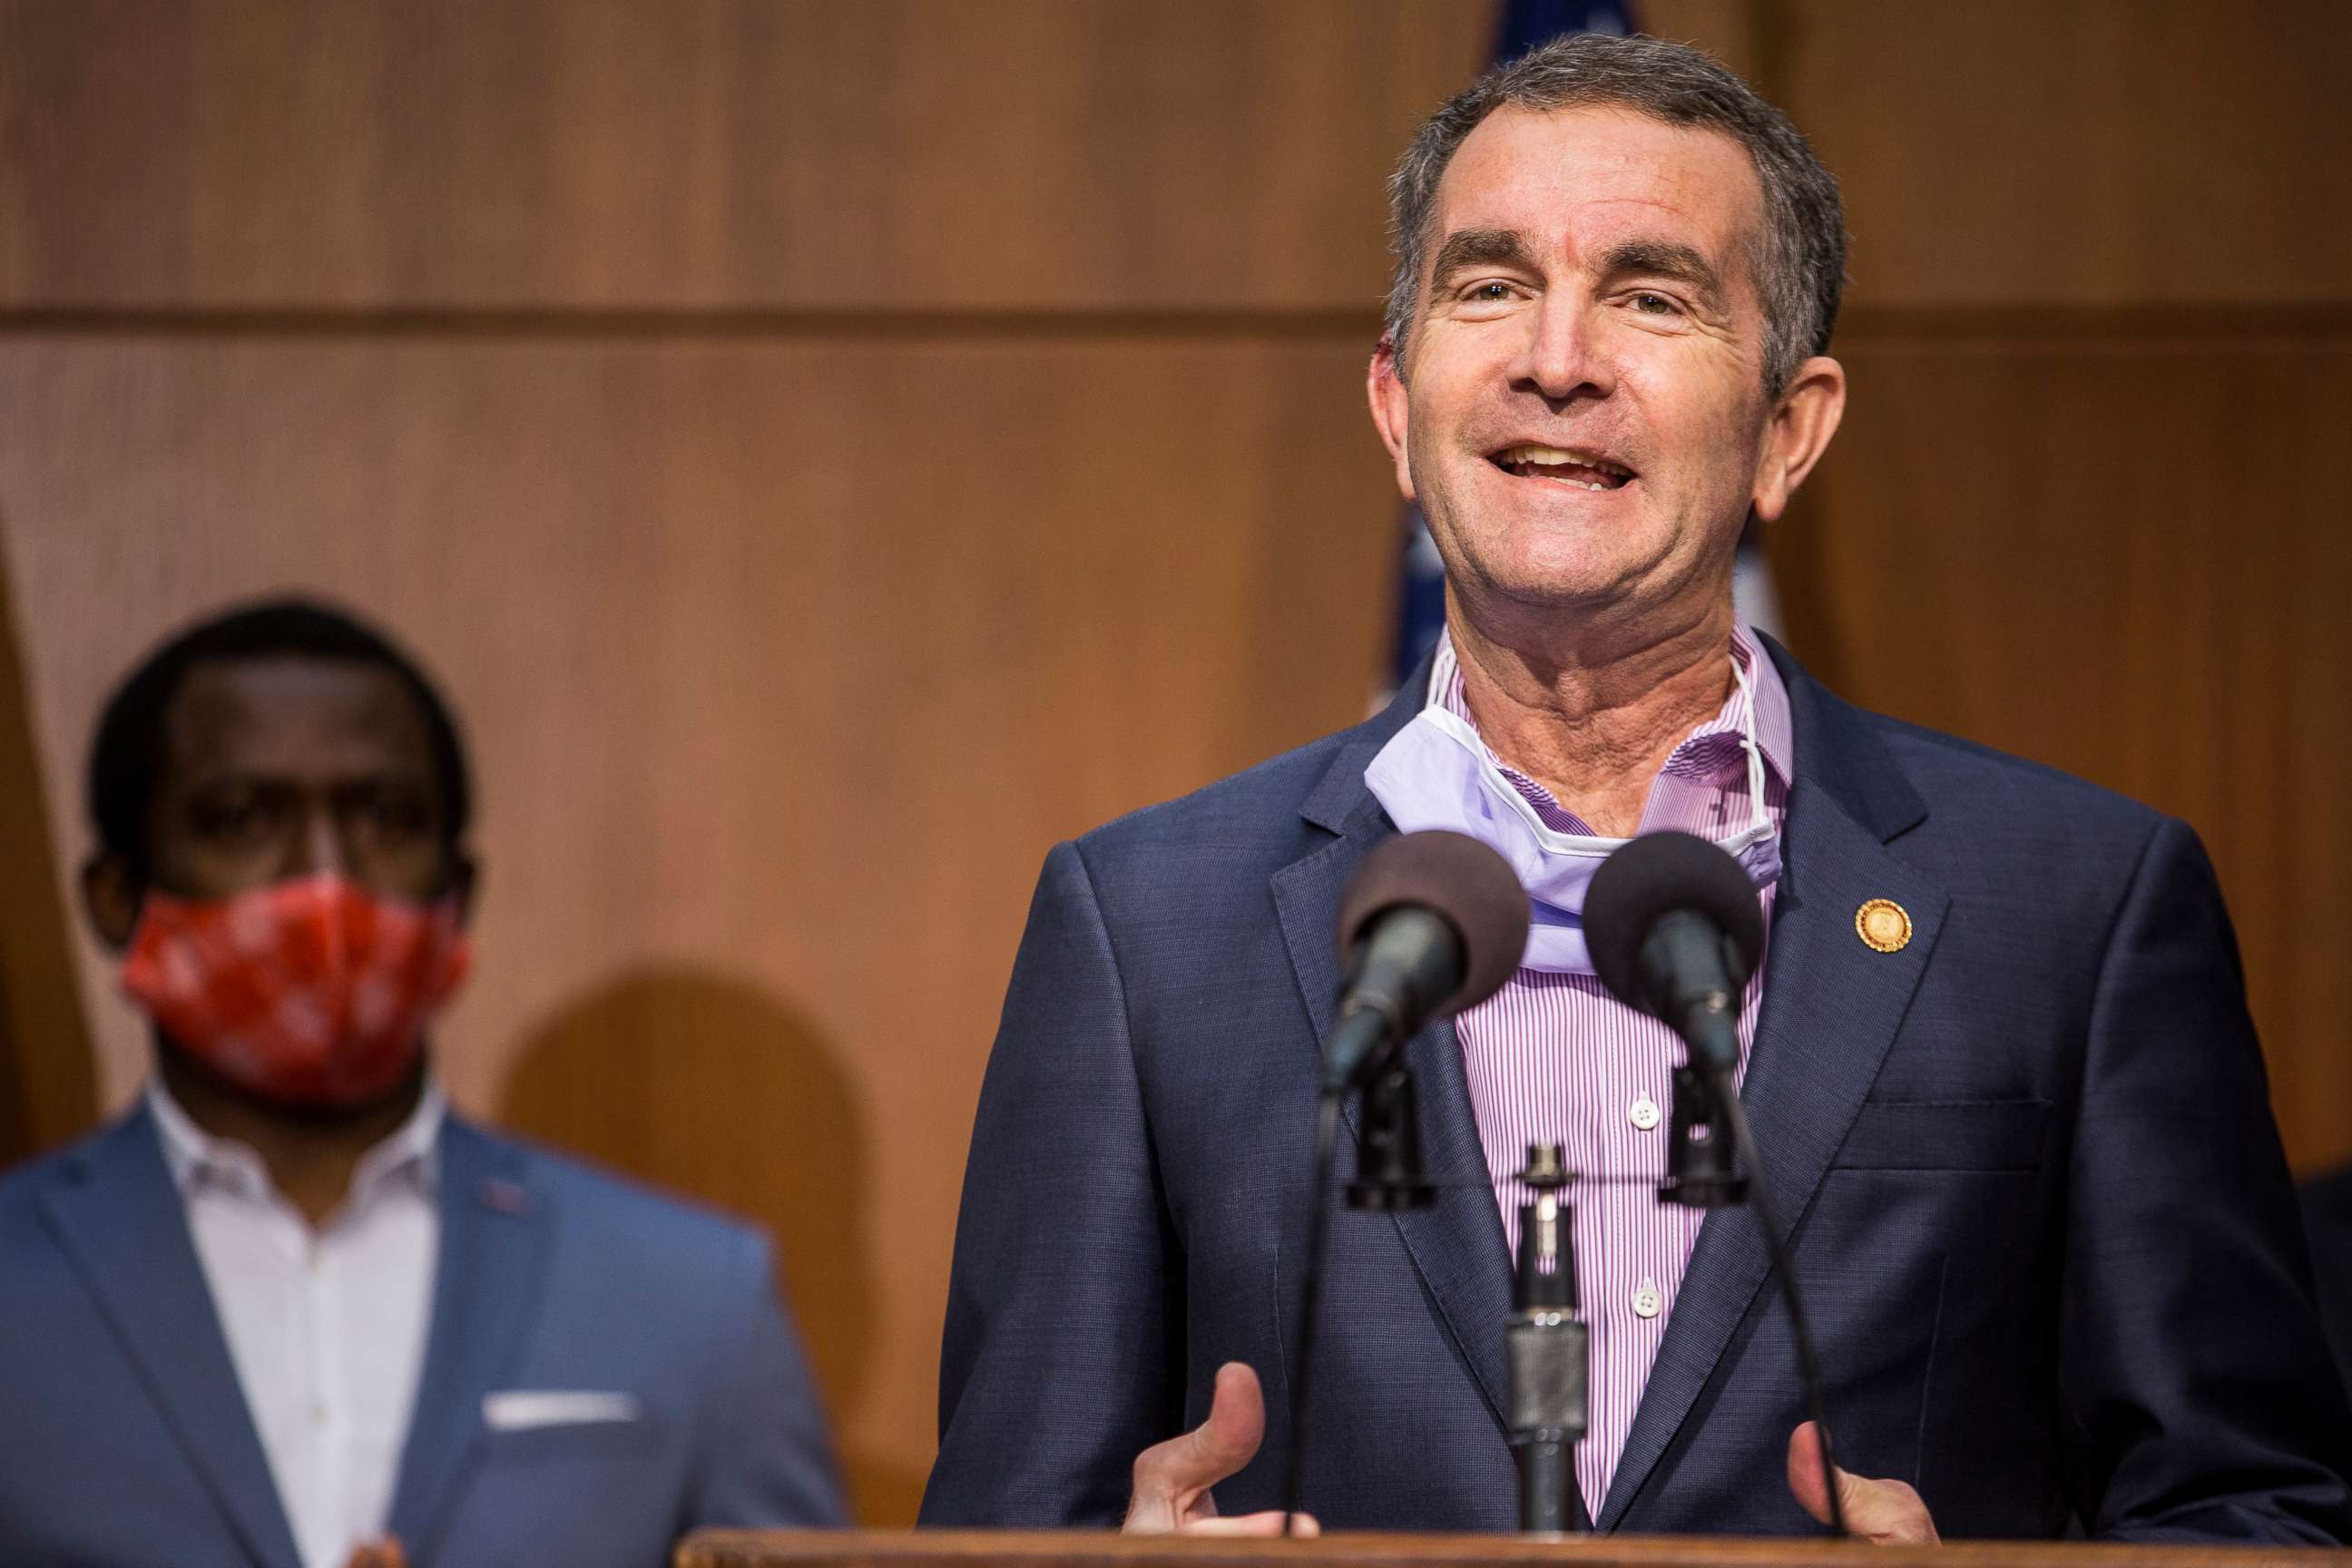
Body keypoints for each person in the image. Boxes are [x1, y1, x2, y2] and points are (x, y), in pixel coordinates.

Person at [921, 34, 2352, 1543]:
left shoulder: (2074, 905)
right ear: (1398, 408)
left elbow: (2252, 1514)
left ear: (1786, 431)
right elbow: (1011, 1513)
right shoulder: (1143, 926)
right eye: (1486, 286)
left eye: (1650, 295)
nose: (1555, 356)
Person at [0, 598, 845, 1568]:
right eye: (242, 819)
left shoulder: (697, 1295)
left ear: (460, 892)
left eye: (384, 818)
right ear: (115, 895)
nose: (327, 882)